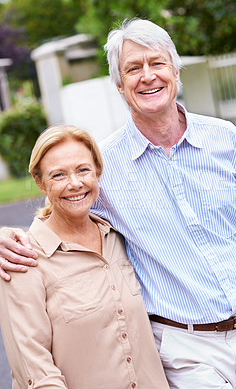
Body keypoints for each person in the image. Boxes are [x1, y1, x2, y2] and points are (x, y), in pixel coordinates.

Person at [1, 18, 236, 388]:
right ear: (119, 85)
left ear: (175, 71)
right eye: (133, 68)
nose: (147, 76)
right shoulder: (104, 165)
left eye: (156, 63)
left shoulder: (225, 138)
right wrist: (6, 236)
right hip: (187, 351)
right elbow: (60, 209)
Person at [0, 125, 169, 389]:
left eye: (83, 170)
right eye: (58, 175)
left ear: (98, 172)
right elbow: (34, 367)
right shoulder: (23, 258)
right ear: (40, 182)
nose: (75, 183)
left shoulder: (119, 236)